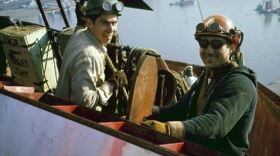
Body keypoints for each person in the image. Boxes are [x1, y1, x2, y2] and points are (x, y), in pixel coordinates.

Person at [142, 15, 257, 156]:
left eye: (216, 44)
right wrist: (147, 110)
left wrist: (168, 129)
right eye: (203, 43)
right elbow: (181, 109)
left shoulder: (240, 84)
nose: (209, 50)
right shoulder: (208, 76)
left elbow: (215, 123)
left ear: (232, 45)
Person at [55, 0, 127, 111]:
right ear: (89, 23)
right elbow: (84, 103)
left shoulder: (79, 34)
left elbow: (80, 28)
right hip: (77, 121)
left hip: (60, 109)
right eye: (104, 23)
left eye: (114, 23)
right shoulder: (89, 56)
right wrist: (112, 84)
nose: (111, 29)